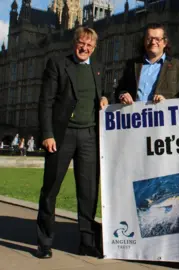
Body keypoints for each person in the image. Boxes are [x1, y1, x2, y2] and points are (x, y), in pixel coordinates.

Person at [36, 26, 110, 259]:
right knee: (51, 189)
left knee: (88, 192)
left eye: (89, 45)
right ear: (74, 42)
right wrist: (47, 134)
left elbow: (102, 93)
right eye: (81, 43)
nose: (85, 48)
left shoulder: (98, 69)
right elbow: (45, 102)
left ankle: (86, 242)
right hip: (62, 134)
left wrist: (106, 96)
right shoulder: (57, 64)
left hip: (89, 136)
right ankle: (45, 242)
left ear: (94, 48)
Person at [116, 23, 179, 104]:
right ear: (144, 41)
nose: (153, 42)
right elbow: (119, 90)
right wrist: (122, 95)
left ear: (165, 42)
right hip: (135, 115)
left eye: (157, 39)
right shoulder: (132, 65)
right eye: (149, 39)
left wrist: (167, 103)